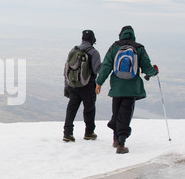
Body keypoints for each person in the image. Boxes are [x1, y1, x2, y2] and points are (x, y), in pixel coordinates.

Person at [95, 26, 159, 154]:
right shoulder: (139, 48)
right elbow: (147, 67)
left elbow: (106, 66)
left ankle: (115, 138)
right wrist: (154, 71)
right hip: (131, 88)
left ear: (121, 35)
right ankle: (121, 144)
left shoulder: (114, 47)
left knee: (116, 112)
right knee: (125, 115)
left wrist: (99, 82)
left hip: (117, 87)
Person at [63, 30, 102, 142]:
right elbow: (96, 69)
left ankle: (67, 133)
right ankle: (89, 133)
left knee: (71, 109)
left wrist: (66, 85)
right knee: (89, 109)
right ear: (92, 39)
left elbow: (67, 69)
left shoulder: (73, 50)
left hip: (73, 85)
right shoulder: (94, 52)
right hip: (87, 86)